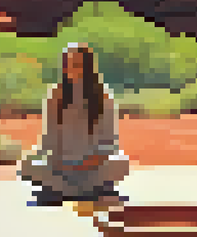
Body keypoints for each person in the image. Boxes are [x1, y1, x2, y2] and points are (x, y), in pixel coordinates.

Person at [19, 43, 131, 207]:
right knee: (28, 165)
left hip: (94, 167)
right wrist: (58, 162)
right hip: (61, 167)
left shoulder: (103, 96)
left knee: (120, 163)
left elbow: (108, 142)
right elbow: (49, 138)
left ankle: (64, 191)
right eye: (68, 65)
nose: (72, 69)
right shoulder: (56, 95)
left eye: (77, 64)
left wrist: (87, 163)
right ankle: (87, 192)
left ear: (88, 67)